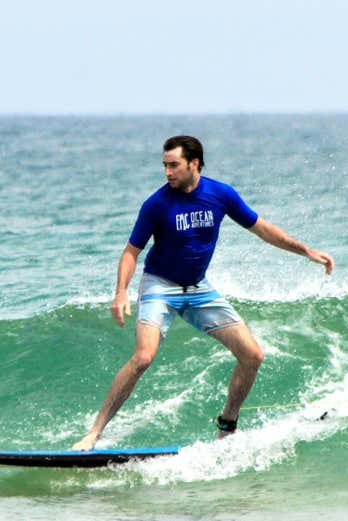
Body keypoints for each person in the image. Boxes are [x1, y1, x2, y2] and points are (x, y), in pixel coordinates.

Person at [72, 135, 334, 450]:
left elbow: (262, 228)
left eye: (174, 165)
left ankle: (227, 425)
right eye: (164, 166)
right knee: (143, 357)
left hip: (198, 288)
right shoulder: (157, 204)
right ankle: (95, 432)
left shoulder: (220, 195)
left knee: (252, 355)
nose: (167, 172)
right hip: (160, 286)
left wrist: (305, 251)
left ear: (194, 164)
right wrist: (120, 293)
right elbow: (131, 252)